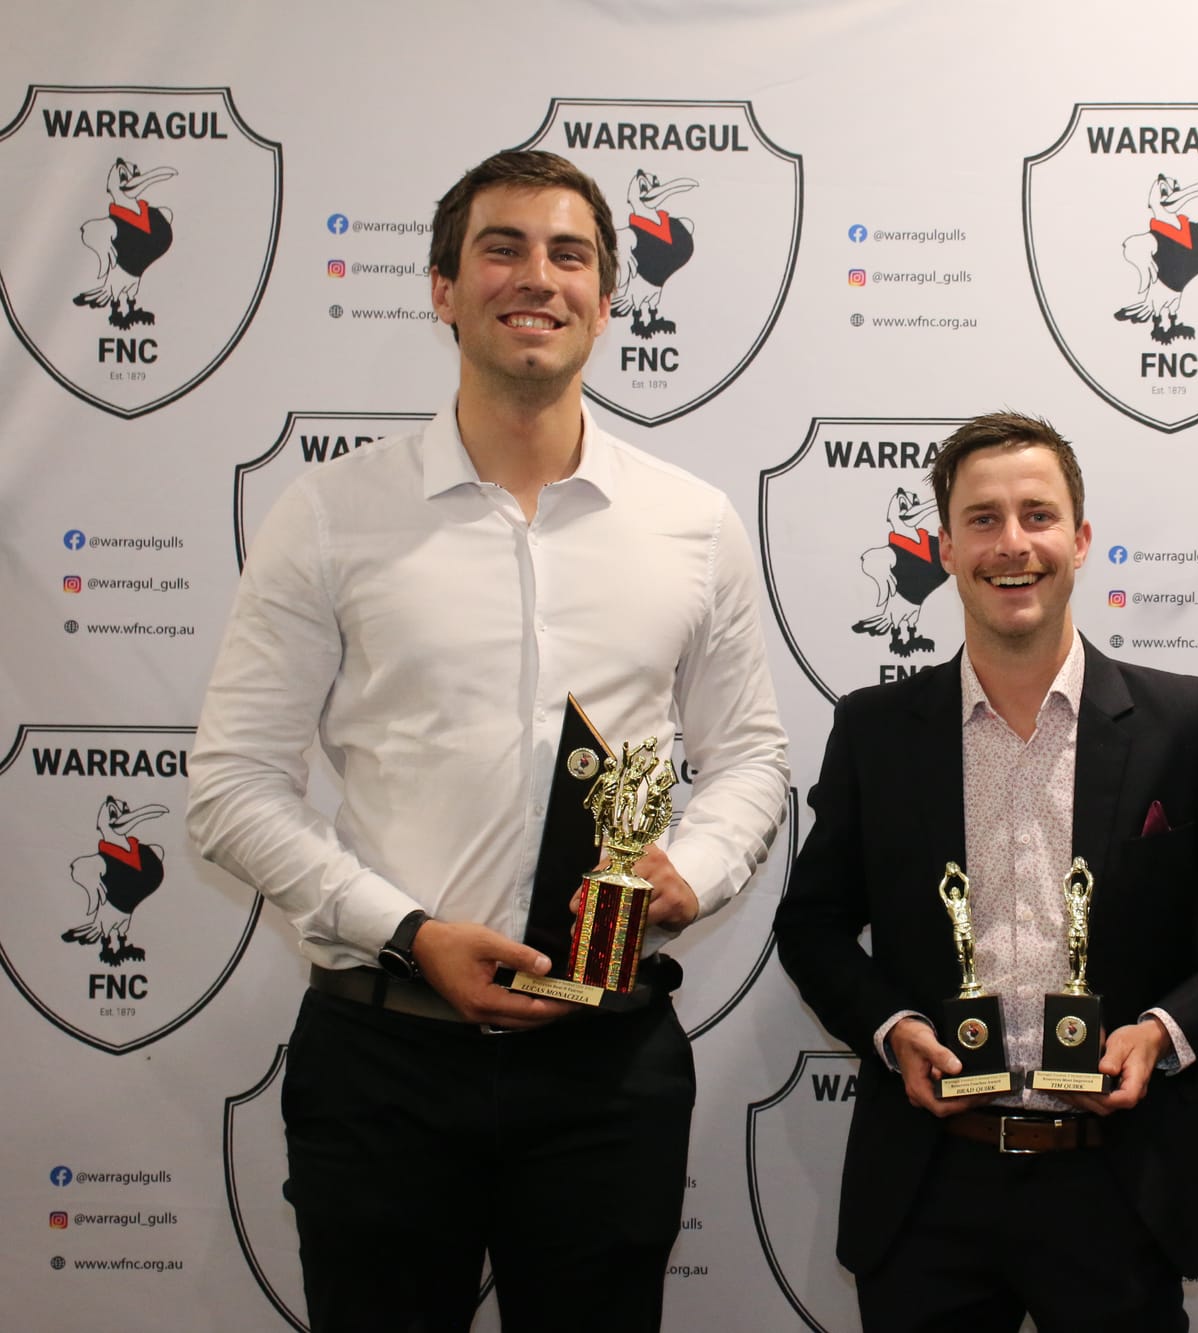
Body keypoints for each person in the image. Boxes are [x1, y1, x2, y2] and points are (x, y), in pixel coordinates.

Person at [187, 149, 788, 1332]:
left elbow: (752, 755)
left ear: (608, 301)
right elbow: (232, 784)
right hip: (384, 1060)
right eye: (501, 248)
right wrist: (407, 932)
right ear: (442, 289)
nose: (538, 277)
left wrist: (694, 869)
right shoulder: (330, 513)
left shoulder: (690, 524)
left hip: (607, 1069)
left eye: (570, 255)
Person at [773, 412, 1198, 1333]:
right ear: (942, 547)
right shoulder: (874, 732)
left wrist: (1166, 1031)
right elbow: (811, 924)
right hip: (930, 1186)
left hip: (1120, 1184)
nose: (1012, 545)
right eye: (982, 520)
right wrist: (890, 1028)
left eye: (1038, 516)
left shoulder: (1187, 723)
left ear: (1082, 539)